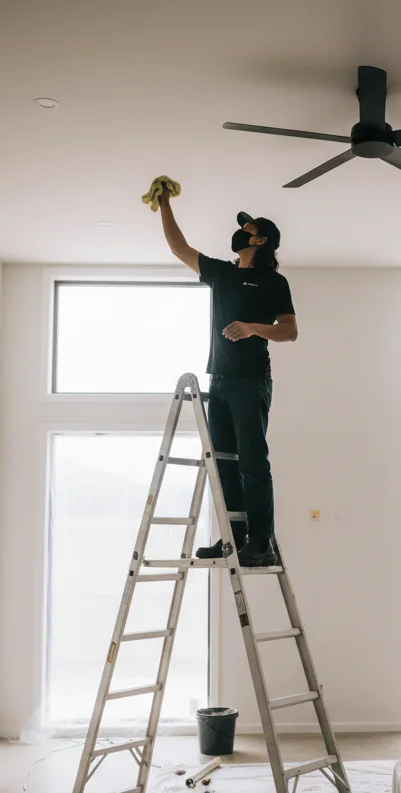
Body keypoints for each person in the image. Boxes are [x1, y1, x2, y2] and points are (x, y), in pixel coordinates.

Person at [157, 189, 297, 567]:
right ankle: (234, 539)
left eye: (246, 227)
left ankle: (261, 542)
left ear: (260, 240)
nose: (238, 231)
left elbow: (290, 331)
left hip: (251, 382)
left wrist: (253, 328)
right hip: (218, 381)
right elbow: (179, 248)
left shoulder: (273, 282)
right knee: (224, 464)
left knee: (252, 462)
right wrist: (165, 204)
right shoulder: (222, 273)